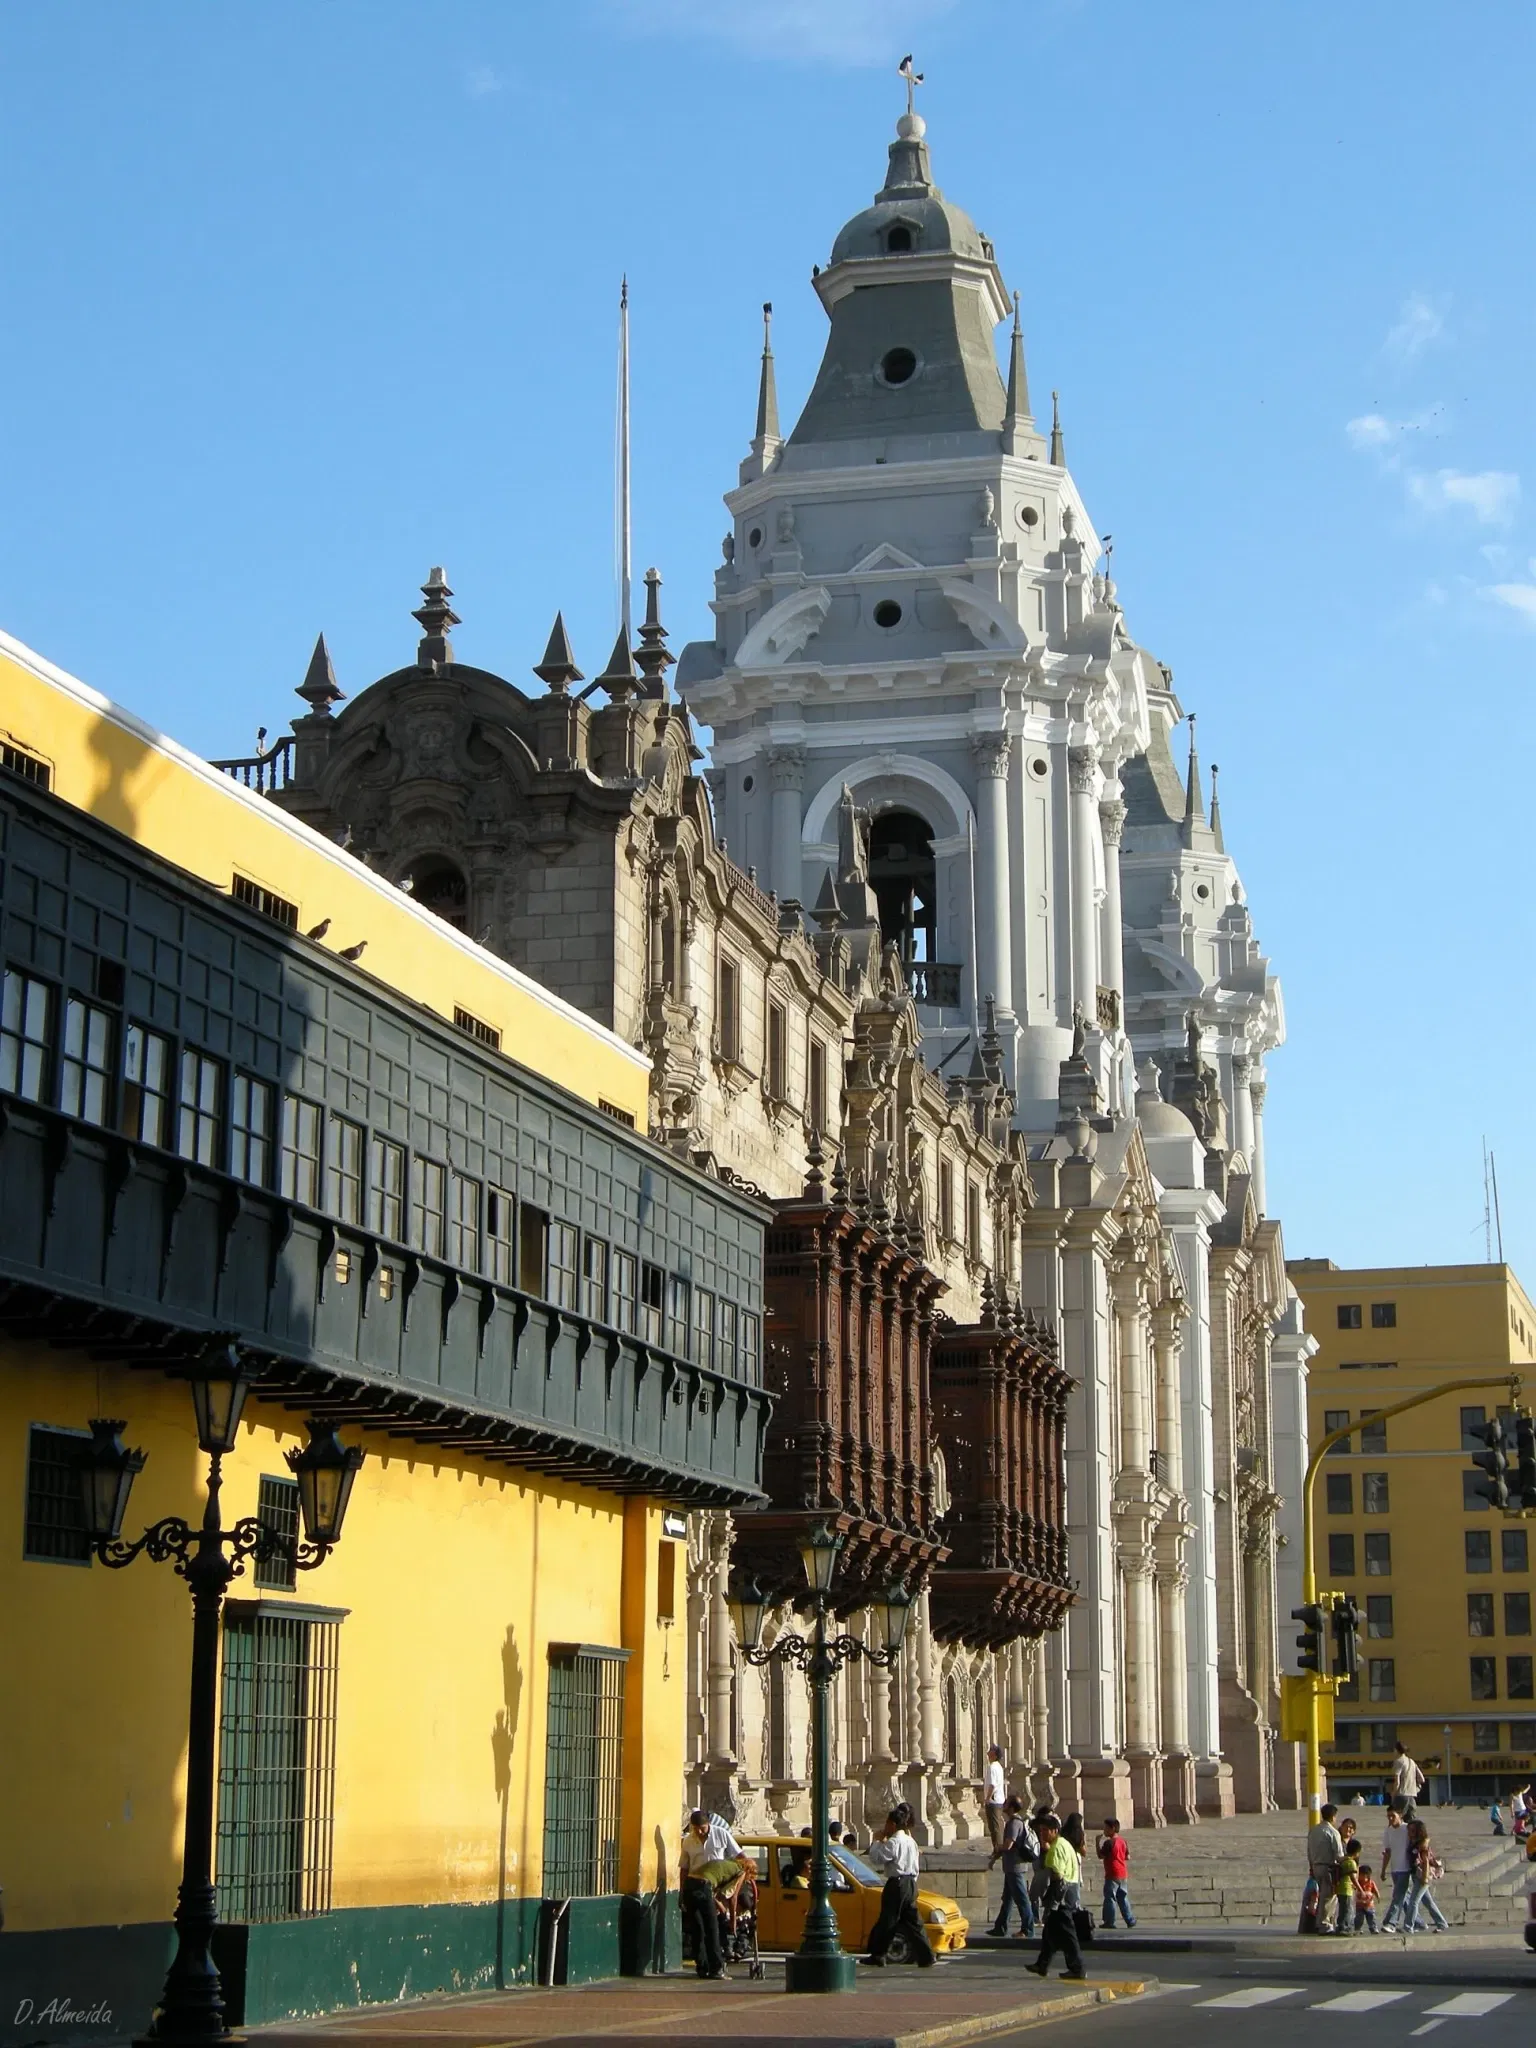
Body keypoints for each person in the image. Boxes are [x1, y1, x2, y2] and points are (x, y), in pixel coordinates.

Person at [863, 1803, 936, 1968]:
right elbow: (915, 1866)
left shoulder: (894, 1842)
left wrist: (877, 1842)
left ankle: (878, 1954)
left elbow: (877, 1859)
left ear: (893, 1825)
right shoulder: (911, 1841)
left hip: (897, 1884)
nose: (885, 1827)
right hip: (910, 1883)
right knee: (914, 1922)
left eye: (886, 1824)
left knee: (888, 1920)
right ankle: (927, 1955)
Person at [680, 1809, 741, 1979]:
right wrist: (682, 1892)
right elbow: (684, 1868)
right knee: (698, 1927)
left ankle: (716, 1966)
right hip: (696, 1885)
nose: (699, 1832)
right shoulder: (688, 1841)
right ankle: (704, 1966)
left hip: (714, 1888)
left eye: (702, 1828)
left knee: (713, 1928)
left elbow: (740, 1855)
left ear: (709, 1825)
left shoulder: (721, 1834)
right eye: (695, 1828)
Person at [1027, 1812, 1086, 1982]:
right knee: (1049, 1932)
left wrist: (1051, 1901)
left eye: (1046, 1830)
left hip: (1062, 1896)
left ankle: (1077, 1968)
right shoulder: (1064, 1843)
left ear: (1055, 1830)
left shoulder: (1056, 1848)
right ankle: (1042, 1964)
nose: (1042, 1834)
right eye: (1040, 1831)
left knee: (1068, 1934)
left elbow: (1057, 1877)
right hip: (1069, 1890)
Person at [989, 1795, 1037, 1938]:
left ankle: (1028, 1929)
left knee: (1022, 1899)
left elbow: (1009, 1844)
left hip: (1015, 1867)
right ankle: (1000, 1927)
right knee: (1008, 1899)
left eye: (1006, 1803)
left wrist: (999, 1847)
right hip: (1012, 1867)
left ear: (1011, 1807)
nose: (1003, 1805)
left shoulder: (1013, 1824)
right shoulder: (1015, 1822)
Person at [1404, 1818, 1449, 1933]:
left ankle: (1408, 1926)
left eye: (1413, 1830)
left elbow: (1425, 1862)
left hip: (1422, 1876)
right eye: (1409, 1830)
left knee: (1413, 1901)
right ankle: (1442, 1923)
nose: (1410, 1833)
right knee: (1428, 1902)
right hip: (1416, 1875)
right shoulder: (1412, 1843)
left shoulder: (1421, 1845)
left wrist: (1424, 1877)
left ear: (1419, 1831)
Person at [1306, 1803, 1345, 1933]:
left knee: (1322, 1896)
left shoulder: (1314, 1830)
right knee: (1329, 1897)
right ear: (1333, 1816)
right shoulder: (1333, 1832)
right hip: (1328, 1867)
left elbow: (1309, 1851)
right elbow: (1339, 1855)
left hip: (1315, 1866)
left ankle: (1321, 1922)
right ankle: (1325, 1924)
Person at [1379, 1804, 1414, 1932]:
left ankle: (1391, 1923)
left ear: (1400, 1815)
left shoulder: (1407, 1829)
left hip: (1406, 1869)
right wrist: (1383, 1870)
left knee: (1398, 1897)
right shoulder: (1388, 1831)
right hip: (1395, 1869)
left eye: (1392, 1816)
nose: (1390, 1819)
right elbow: (1387, 1852)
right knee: (1404, 1898)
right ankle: (1418, 1922)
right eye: (1388, 1817)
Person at [1096, 1817, 1135, 1930]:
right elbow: (1127, 1856)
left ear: (1112, 1828)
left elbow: (1100, 1855)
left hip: (1112, 1873)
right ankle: (1130, 1919)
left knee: (1110, 1898)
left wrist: (1097, 1842)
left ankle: (1109, 1921)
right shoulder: (1123, 1841)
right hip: (1123, 1873)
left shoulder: (1109, 1843)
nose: (1104, 1830)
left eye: (1106, 1828)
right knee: (1123, 1897)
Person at [1348, 1841, 1380, 1934]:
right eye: (1362, 1875)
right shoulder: (1358, 1883)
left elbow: (1375, 1890)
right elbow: (1353, 1886)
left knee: (1371, 1917)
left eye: (1366, 1876)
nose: (1364, 1878)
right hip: (1360, 1906)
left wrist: (1378, 1896)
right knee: (1359, 1918)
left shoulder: (1371, 1883)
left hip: (1369, 1905)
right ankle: (1357, 1928)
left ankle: (1373, 1928)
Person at [1392, 1741, 1426, 1819]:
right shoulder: (1412, 1762)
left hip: (1401, 1795)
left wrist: (1393, 1794)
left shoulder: (1399, 1761)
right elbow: (1422, 1779)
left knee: (1398, 1820)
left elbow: (1397, 1782)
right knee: (1411, 1822)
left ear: (1397, 1750)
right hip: (1412, 1796)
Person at [984, 1744, 1008, 1851]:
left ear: (994, 1754)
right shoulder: (998, 1766)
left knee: (994, 1827)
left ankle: (998, 1849)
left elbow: (992, 1784)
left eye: (990, 1751)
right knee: (996, 1825)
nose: (988, 1753)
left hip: (994, 1800)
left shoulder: (993, 1767)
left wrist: (988, 1798)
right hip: (998, 1799)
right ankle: (997, 1848)